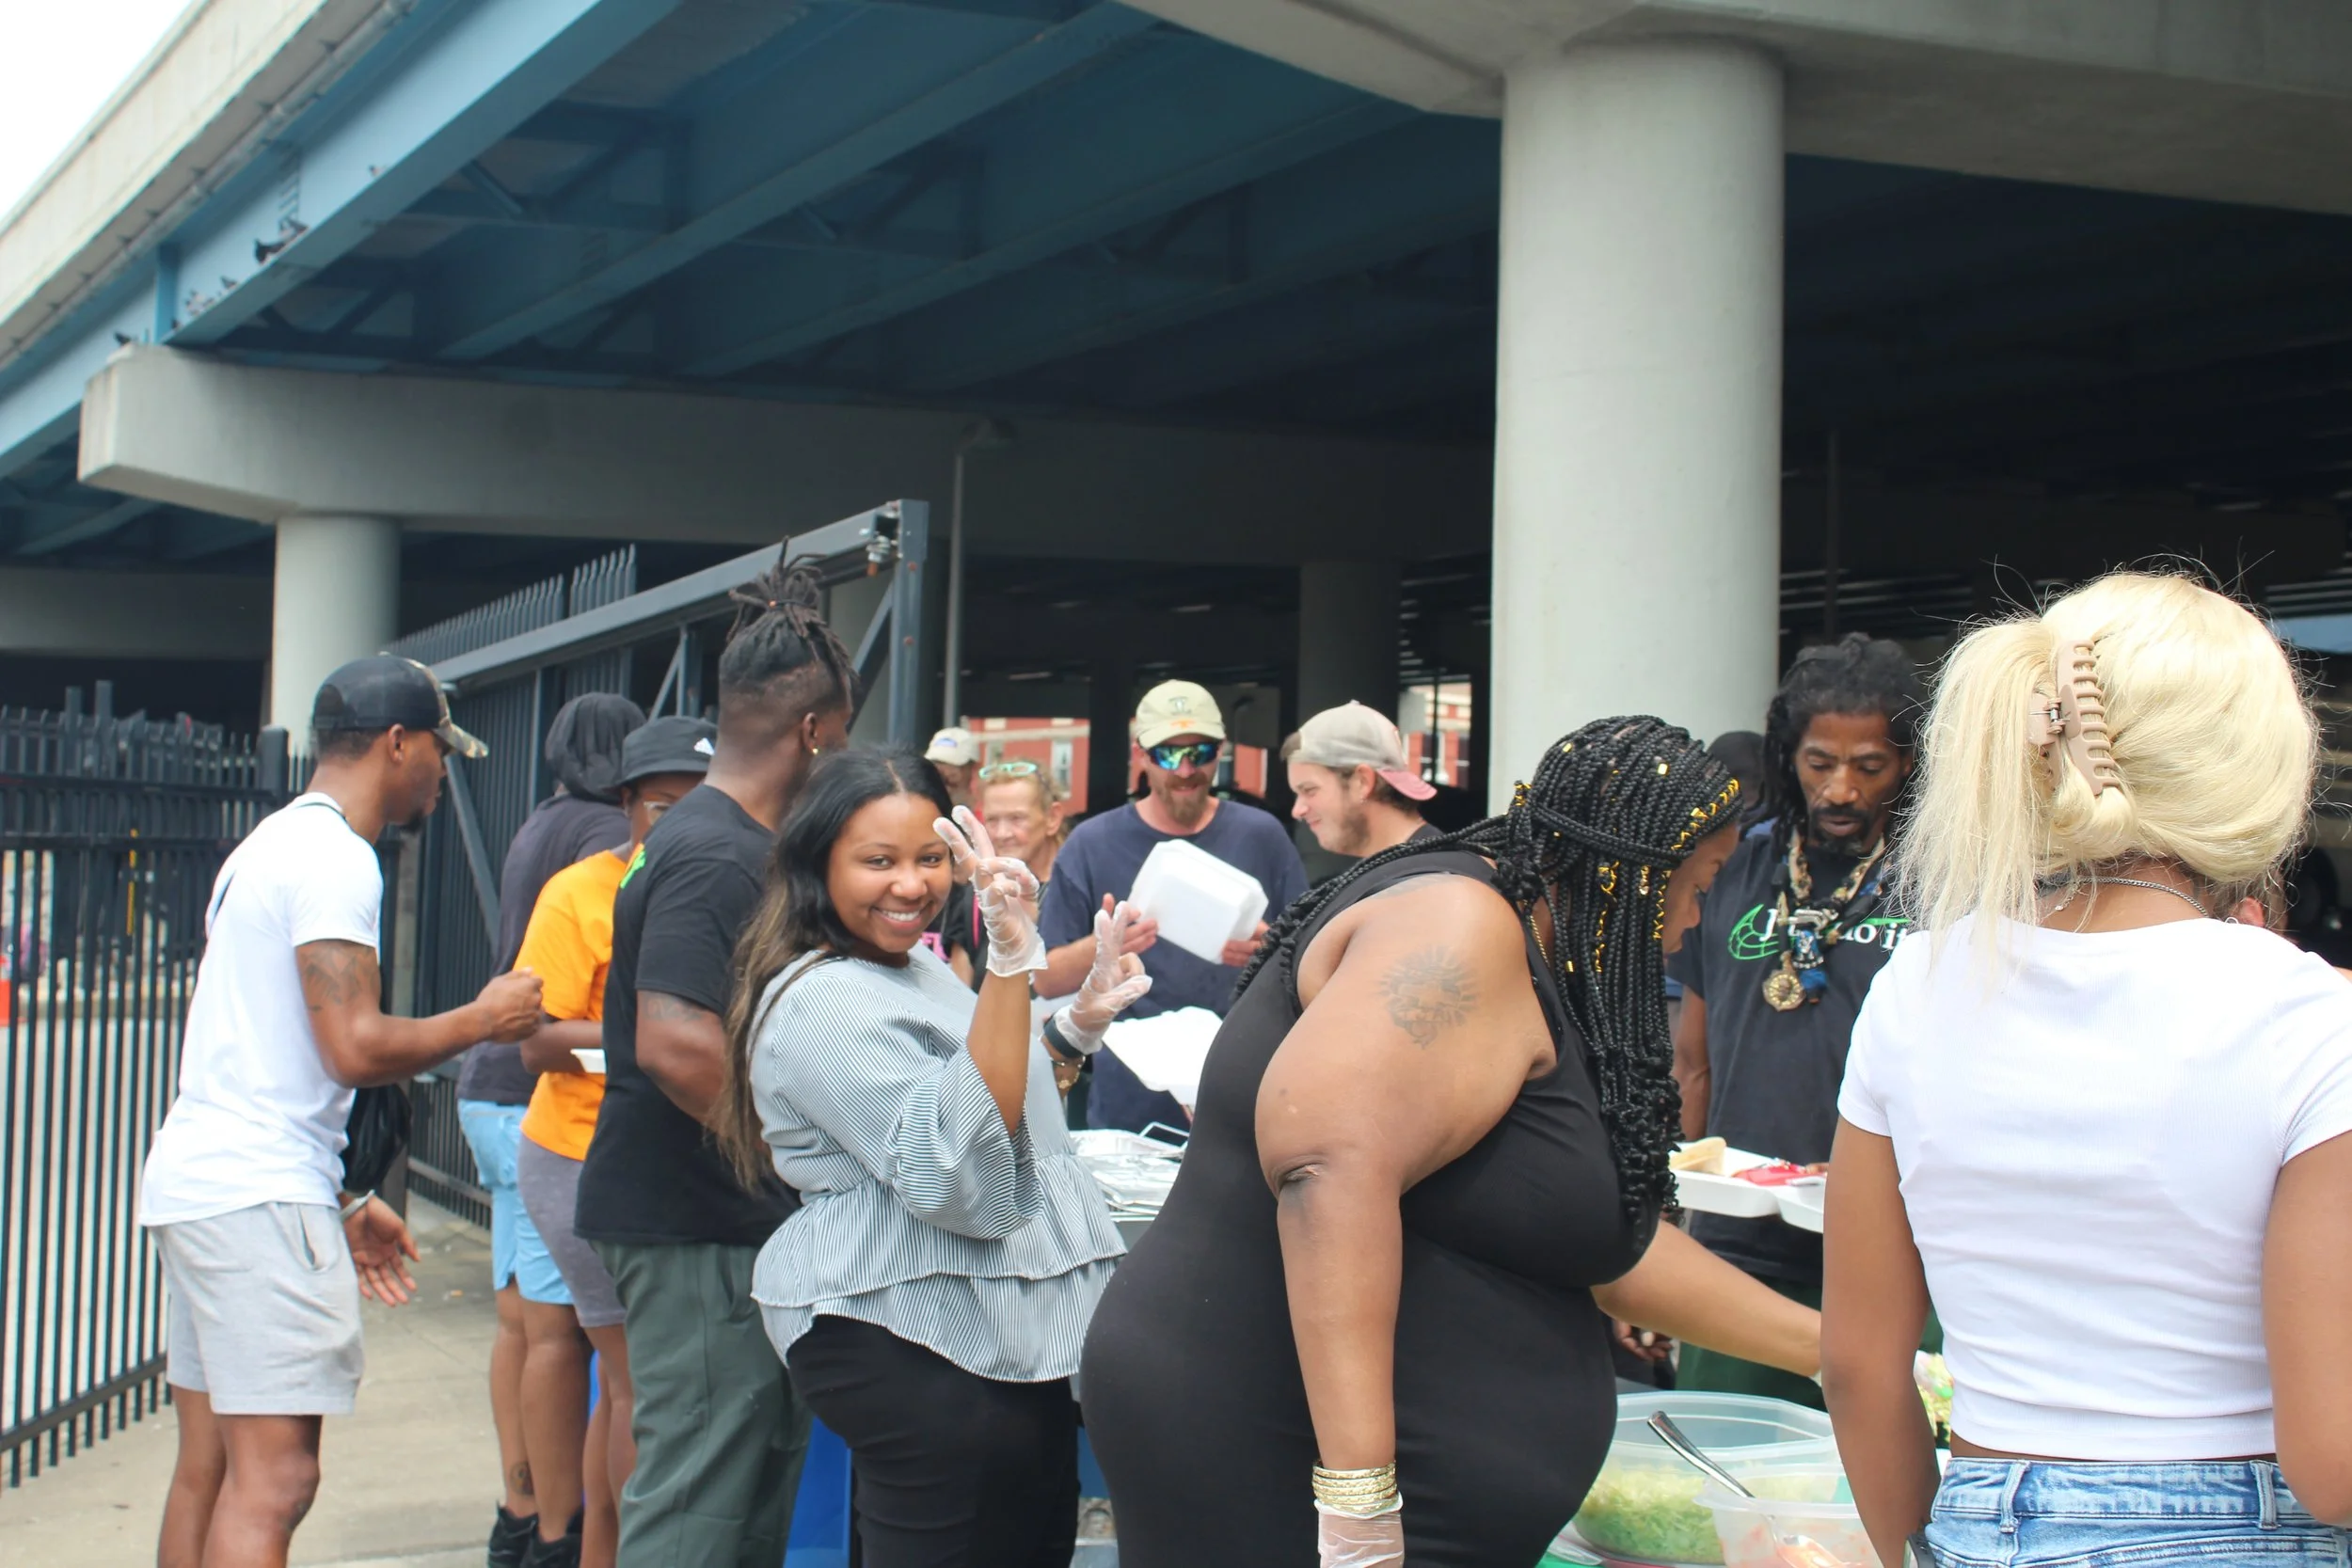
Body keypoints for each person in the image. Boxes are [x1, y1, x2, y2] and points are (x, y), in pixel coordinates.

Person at [1083, 718, 1827, 1568]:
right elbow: (1328, 1168)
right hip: (1267, 1437)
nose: (1695, 921)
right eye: (1704, 884)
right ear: (1641, 873)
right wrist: (1359, 1508)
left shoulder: (1538, 951)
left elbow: (1598, 1244)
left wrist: (1826, 1350)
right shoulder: (1459, 925)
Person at [1822, 572, 2352, 1567]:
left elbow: (1855, 1363)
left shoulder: (1918, 984)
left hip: (1981, 1516)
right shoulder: (2311, 1021)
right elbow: (2332, 1460)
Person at [140, 657, 544, 1568]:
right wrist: (484, 1019)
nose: (444, 768)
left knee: (211, 1467)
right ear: (399, 742)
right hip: (257, 1197)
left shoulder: (272, 842)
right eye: (440, 748)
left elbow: (264, 1048)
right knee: (277, 1480)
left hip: (206, 1183)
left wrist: (351, 1199)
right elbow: (352, 1046)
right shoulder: (334, 860)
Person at [707, 753, 1151, 1566]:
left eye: (931, 858)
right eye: (878, 861)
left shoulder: (909, 963)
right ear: (818, 862)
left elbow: (980, 1099)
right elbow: (957, 1172)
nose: (911, 885)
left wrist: (1073, 1026)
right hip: (913, 1337)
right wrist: (1013, 969)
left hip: (989, 1324)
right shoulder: (825, 997)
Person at [575, 564, 855, 1567]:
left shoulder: (734, 844)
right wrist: (807, 1158)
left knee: (746, 1496)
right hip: (695, 1222)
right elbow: (675, 1040)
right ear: (816, 730)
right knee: (699, 1503)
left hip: (727, 1220)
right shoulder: (714, 853)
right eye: (844, 735)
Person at [1666, 633, 1923, 1408]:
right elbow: (1693, 1060)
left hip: (1896, 1249)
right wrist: (1676, 1215)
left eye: (1869, 766)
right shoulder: (1736, 864)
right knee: (1721, 1490)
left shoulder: (1942, 877)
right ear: (1789, 757)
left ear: (1908, 763)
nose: (1842, 789)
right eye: (1821, 763)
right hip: (1738, 1244)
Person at [508, 717, 714, 1568]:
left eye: (701, 807)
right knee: (637, 1381)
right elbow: (536, 1038)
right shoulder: (580, 892)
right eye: (663, 806)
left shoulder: (712, 879)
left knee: (630, 1382)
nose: (681, 824)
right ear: (626, 803)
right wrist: (647, 1030)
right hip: (579, 1153)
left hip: (667, 1155)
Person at [453, 690, 643, 1567]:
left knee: (523, 1321)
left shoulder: (539, 822)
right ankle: (557, 1536)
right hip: (551, 1098)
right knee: (562, 1333)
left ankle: (520, 1508)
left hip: (491, 1093)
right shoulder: (601, 846)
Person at [1038, 680, 1308, 1131]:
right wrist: (1104, 948)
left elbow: (1316, 966)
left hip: (1244, 1089)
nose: (1185, 770)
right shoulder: (1091, 843)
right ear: (1140, 755)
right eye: (1167, 755)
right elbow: (1045, 979)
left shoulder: (1262, 836)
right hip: (1130, 1101)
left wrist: (1275, 949)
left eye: (1199, 753)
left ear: (1220, 751)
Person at [1283, 701, 1438, 859]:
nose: (1297, 811)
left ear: (1362, 782)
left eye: (1309, 790)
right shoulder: (1424, 864)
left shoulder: (1428, 876)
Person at [924, 725, 981, 809]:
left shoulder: (988, 813)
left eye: (952, 766)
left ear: (973, 769)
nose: (942, 773)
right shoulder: (921, 810)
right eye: (935, 764)